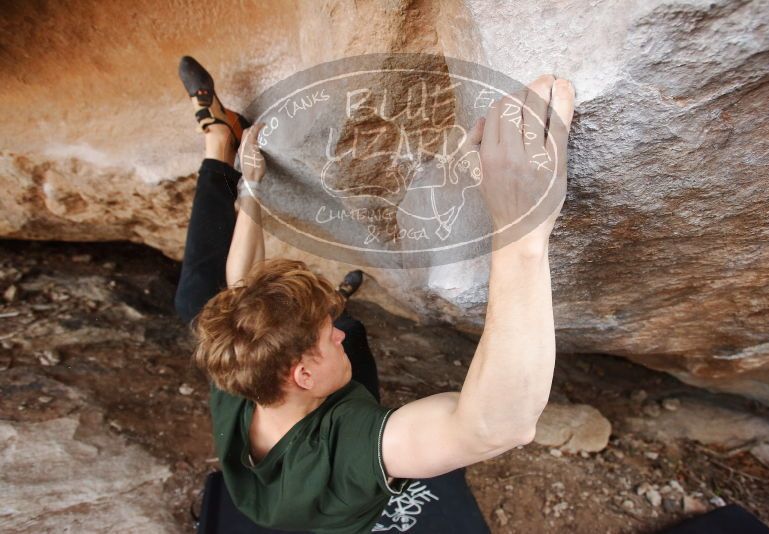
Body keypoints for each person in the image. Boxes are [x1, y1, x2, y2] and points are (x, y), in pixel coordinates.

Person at [174, 56, 574, 533]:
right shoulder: (346, 445)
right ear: (302, 374)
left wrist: (253, 192)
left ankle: (218, 139)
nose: (337, 336)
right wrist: (521, 232)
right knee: (349, 335)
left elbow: (239, 287)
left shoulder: (239, 371)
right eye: (326, 339)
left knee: (197, 301)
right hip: (324, 506)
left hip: (261, 490)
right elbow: (493, 427)